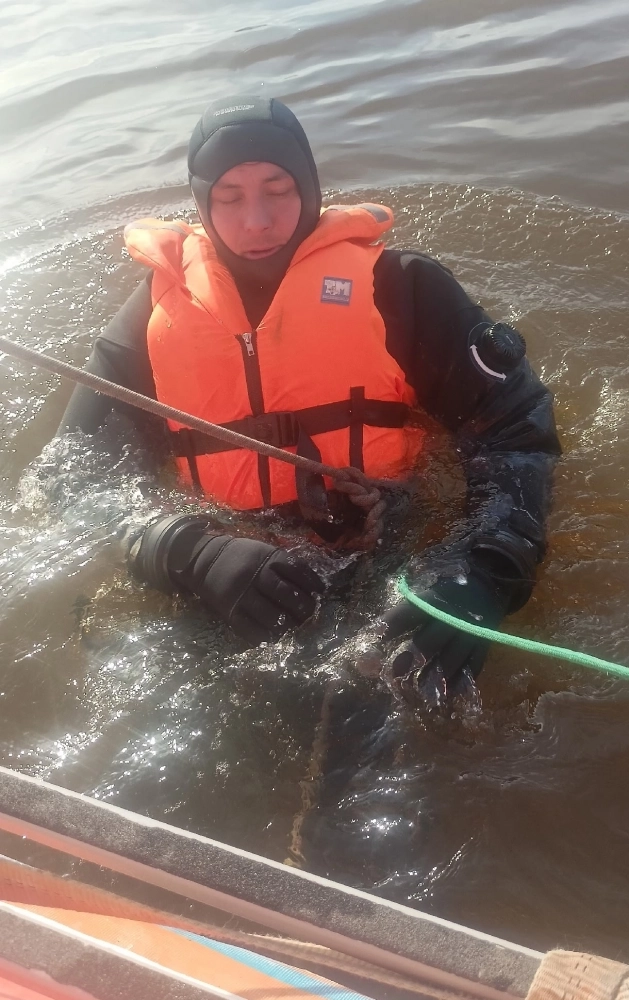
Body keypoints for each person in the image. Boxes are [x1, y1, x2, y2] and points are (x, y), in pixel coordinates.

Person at [59, 95, 561, 703]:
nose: (257, 220)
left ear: (311, 187)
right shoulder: (149, 324)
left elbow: (515, 428)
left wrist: (484, 566)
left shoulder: (400, 290)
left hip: (393, 543)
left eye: (278, 188)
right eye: (229, 196)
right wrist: (190, 553)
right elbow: (71, 477)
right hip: (223, 573)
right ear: (201, 203)